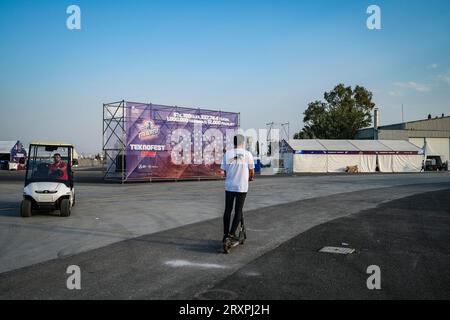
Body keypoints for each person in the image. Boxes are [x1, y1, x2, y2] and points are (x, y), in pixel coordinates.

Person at [221, 134, 255, 245]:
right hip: (242, 186)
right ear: (243, 142)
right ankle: (232, 233)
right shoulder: (248, 154)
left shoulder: (227, 154)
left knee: (228, 210)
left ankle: (225, 234)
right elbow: (252, 171)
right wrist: (250, 178)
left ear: (234, 142)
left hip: (230, 186)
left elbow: (224, 172)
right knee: (238, 210)